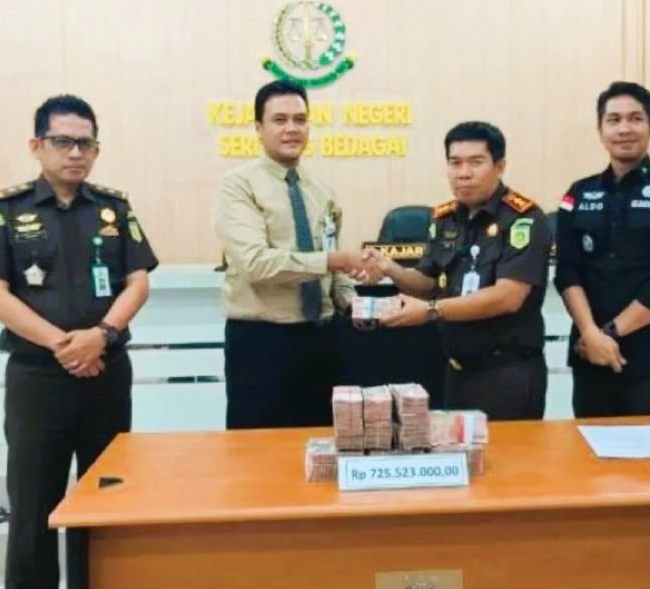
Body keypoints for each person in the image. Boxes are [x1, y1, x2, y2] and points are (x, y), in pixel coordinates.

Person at [0, 94, 158, 589]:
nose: (76, 153)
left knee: (107, 503)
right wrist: (64, 346)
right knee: (33, 508)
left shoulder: (114, 208)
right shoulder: (6, 209)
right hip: (38, 380)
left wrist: (101, 337)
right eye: (63, 141)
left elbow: (138, 282)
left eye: (86, 144)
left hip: (106, 374)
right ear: (37, 146)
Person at [213, 80, 380, 430]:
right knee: (257, 452)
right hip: (261, 343)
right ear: (258, 128)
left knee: (320, 445)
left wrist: (353, 303)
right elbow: (256, 264)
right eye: (280, 120)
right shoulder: (238, 185)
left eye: (300, 120)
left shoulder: (322, 192)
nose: (292, 128)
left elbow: (334, 272)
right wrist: (334, 260)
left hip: (321, 340)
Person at [368, 121, 551, 420]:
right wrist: (390, 269)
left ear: (500, 166)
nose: (463, 173)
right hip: (455, 371)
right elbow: (428, 283)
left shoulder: (523, 219)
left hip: (507, 375)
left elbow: (508, 297)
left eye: (475, 162)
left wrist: (432, 311)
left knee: (507, 451)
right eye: (455, 163)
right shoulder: (444, 219)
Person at [554, 81, 650, 431]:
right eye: (614, 119)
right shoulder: (579, 193)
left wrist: (608, 333)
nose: (624, 128)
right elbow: (568, 272)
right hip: (591, 359)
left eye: (635, 118)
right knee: (592, 458)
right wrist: (590, 334)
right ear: (600, 130)